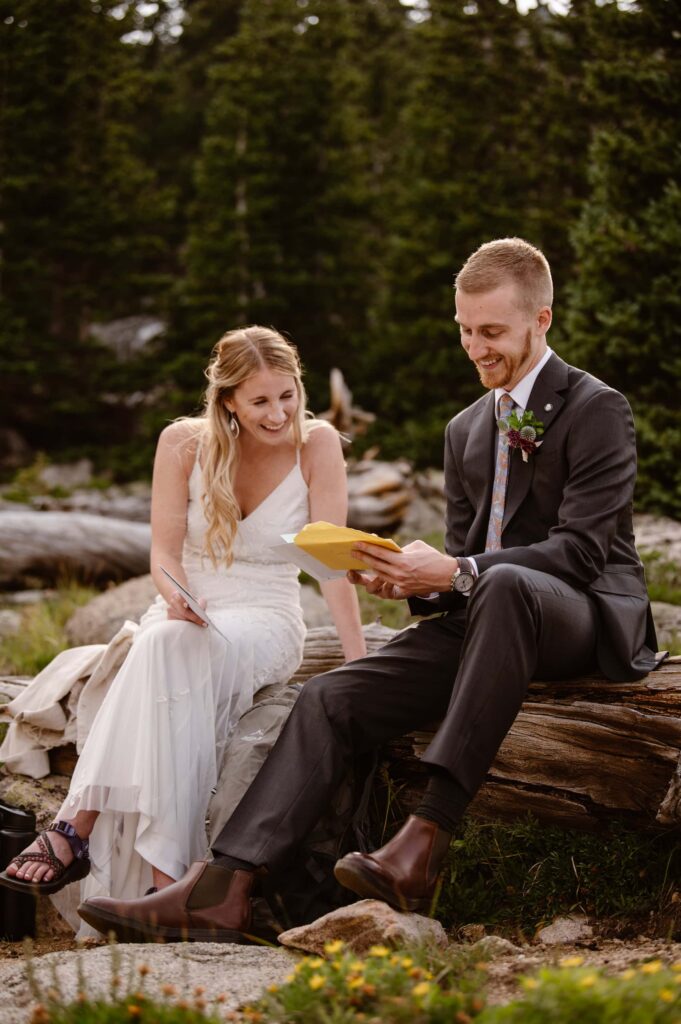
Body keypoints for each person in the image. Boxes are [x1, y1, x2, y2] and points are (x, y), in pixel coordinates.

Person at [75, 237, 659, 944]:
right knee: (329, 697)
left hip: (585, 618)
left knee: (501, 581)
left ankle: (424, 840)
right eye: (465, 331)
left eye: (493, 332)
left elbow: (580, 552)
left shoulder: (596, 407)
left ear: (541, 321)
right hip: (490, 615)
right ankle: (223, 888)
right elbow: (460, 566)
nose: (476, 348)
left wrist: (459, 572)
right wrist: (398, 578)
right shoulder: (465, 429)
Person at [0, 325, 366, 909]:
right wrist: (174, 595)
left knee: (164, 650)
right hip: (188, 606)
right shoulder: (182, 443)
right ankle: (160, 885)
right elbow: (164, 555)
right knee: (164, 643)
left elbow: (331, 566)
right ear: (227, 402)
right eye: (261, 401)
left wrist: (358, 666)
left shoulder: (317, 445)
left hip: (265, 616)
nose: (279, 414)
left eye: (288, 395)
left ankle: (75, 829)